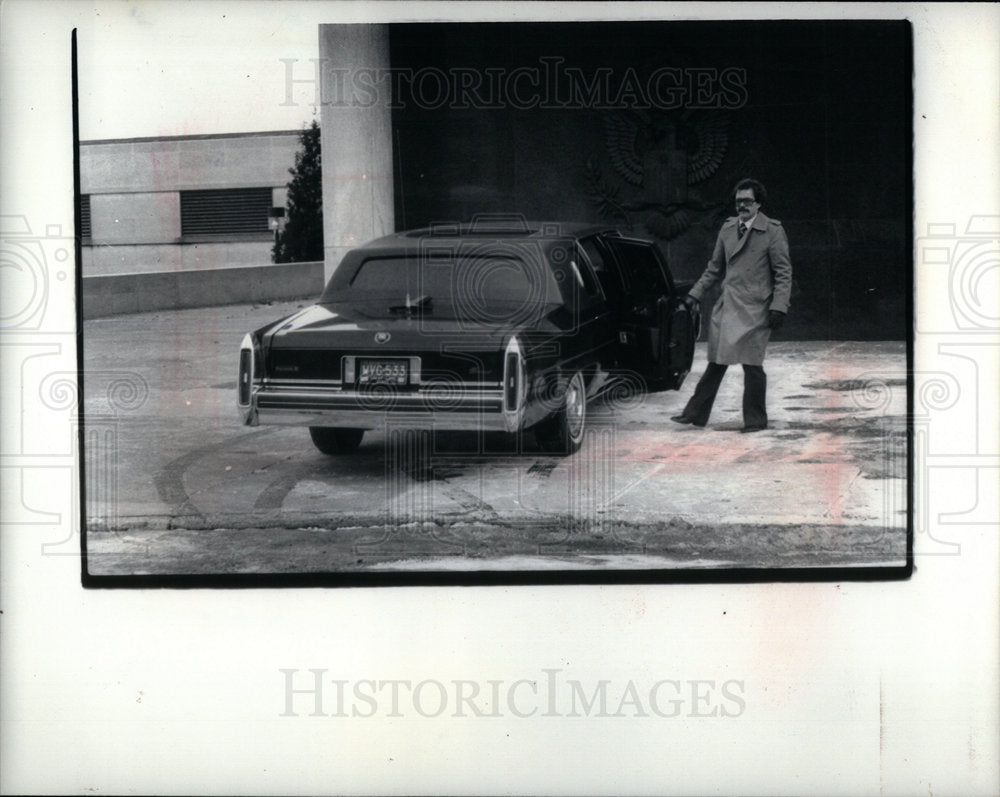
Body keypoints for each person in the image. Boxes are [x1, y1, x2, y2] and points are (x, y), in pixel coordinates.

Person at [671, 178, 792, 432]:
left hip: (757, 309)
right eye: (739, 202)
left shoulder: (772, 231)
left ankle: (756, 420)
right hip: (729, 305)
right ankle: (694, 414)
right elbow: (714, 268)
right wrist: (694, 295)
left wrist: (779, 306)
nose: (742, 206)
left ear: (758, 203)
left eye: (747, 201)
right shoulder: (727, 229)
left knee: (752, 365)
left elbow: (783, 272)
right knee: (717, 360)